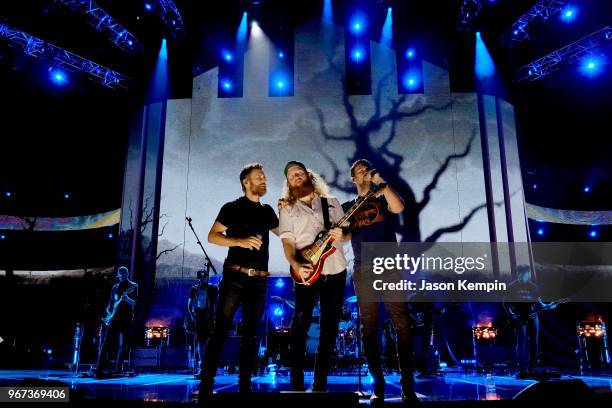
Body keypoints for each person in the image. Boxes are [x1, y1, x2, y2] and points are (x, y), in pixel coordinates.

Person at [199, 163, 279, 397]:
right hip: (235, 277)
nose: (264, 179)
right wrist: (240, 241)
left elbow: (285, 234)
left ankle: (245, 384)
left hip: (259, 281)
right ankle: (207, 382)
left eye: (264, 176)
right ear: (246, 182)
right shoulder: (232, 207)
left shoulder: (267, 211)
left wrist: (288, 211)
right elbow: (212, 236)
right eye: (259, 177)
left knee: (251, 333)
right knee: (220, 330)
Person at [342, 159, 417, 404]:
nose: (364, 173)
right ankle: (379, 386)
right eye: (359, 172)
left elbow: (399, 207)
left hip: (389, 266)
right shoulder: (349, 207)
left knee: (402, 323)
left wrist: (381, 183)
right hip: (364, 268)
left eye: (367, 170)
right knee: (369, 328)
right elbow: (343, 237)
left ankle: (408, 387)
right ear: (353, 179)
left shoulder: (382, 196)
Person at [279, 161, 349, 392]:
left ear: (309, 176)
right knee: (300, 322)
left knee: (330, 327)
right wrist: (296, 263)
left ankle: (320, 382)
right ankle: (296, 379)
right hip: (306, 272)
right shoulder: (286, 209)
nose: (296, 177)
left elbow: (347, 234)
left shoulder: (332, 203)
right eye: (291, 176)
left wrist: (343, 233)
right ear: (288, 183)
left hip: (336, 269)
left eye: (299, 172)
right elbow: (287, 241)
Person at [95, 265, 138, 378]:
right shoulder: (115, 287)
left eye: (123, 275)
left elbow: (135, 303)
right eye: (120, 275)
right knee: (106, 343)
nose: (121, 277)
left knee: (122, 345)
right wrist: (108, 313)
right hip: (114, 318)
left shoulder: (133, 286)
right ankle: (99, 369)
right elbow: (110, 303)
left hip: (126, 318)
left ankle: (118, 369)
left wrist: (127, 298)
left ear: (127, 274)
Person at [503, 264, 545, 377]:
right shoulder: (511, 286)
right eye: (523, 274)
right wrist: (513, 315)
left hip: (533, 317)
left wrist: (547, 305)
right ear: (518, 274)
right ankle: (522, 368)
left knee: (534, 342)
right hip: (519, 317)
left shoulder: (533, 287)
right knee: (521, 341)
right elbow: (505, 304)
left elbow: (539, 302)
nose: (525, 276)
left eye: (527, 273)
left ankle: (532, 368)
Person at [188, 270, 218, 375]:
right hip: (199, 316)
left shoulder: (213, 288)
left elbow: (216, 302)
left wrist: (215, 316)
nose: (202, 280)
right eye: (200, 278)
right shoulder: (194, 288)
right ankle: (202, 364)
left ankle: (208, 363)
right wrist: (192, 314)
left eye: (204, 278)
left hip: (209, 316)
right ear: (198, 278)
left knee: (208, 340)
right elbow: (190, 303)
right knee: (201, 341)